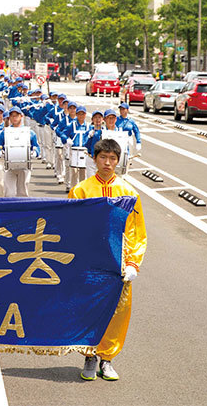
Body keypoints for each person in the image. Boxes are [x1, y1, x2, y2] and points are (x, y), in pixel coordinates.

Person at [69, 138, 147, 381]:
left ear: (118, 161)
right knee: (89, 308)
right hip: (90, 263)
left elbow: (137, 230)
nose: (107, 163)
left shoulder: (129, 192)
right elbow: (70, 227)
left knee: (117, 311)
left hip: (118, 263)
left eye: (113, 158)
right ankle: (89, 356)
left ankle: (108, 359)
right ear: (95, 159)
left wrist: (134, 262)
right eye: (103, 157)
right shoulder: (81, 190)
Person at [0, 107, 40, 197]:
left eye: (16, 115)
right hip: (9, 166)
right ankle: (10, 210)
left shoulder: (29, 132)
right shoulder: (5, 132)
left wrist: (35, 153)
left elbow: (36, 146)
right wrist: (0, 152)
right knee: (9, 193)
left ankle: (23, 210)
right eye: (12, 116)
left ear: (21, 116)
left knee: (23, 192)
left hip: (24, 166)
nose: (14, 118)